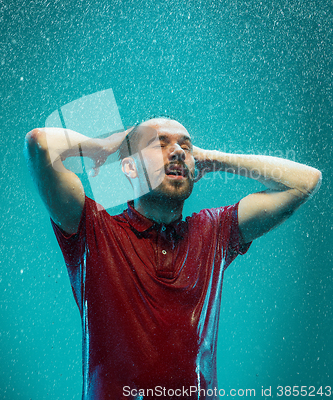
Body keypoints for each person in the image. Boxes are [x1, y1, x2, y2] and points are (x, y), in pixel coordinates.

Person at [24, 117, 321, 400]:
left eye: (186, 146)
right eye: (160, 143)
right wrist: (106, 147)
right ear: (129, 167)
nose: (178, 151)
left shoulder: (214, 232)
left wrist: (215, 159)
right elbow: (40, 143)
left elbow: (305, 181)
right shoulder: (93, 230)